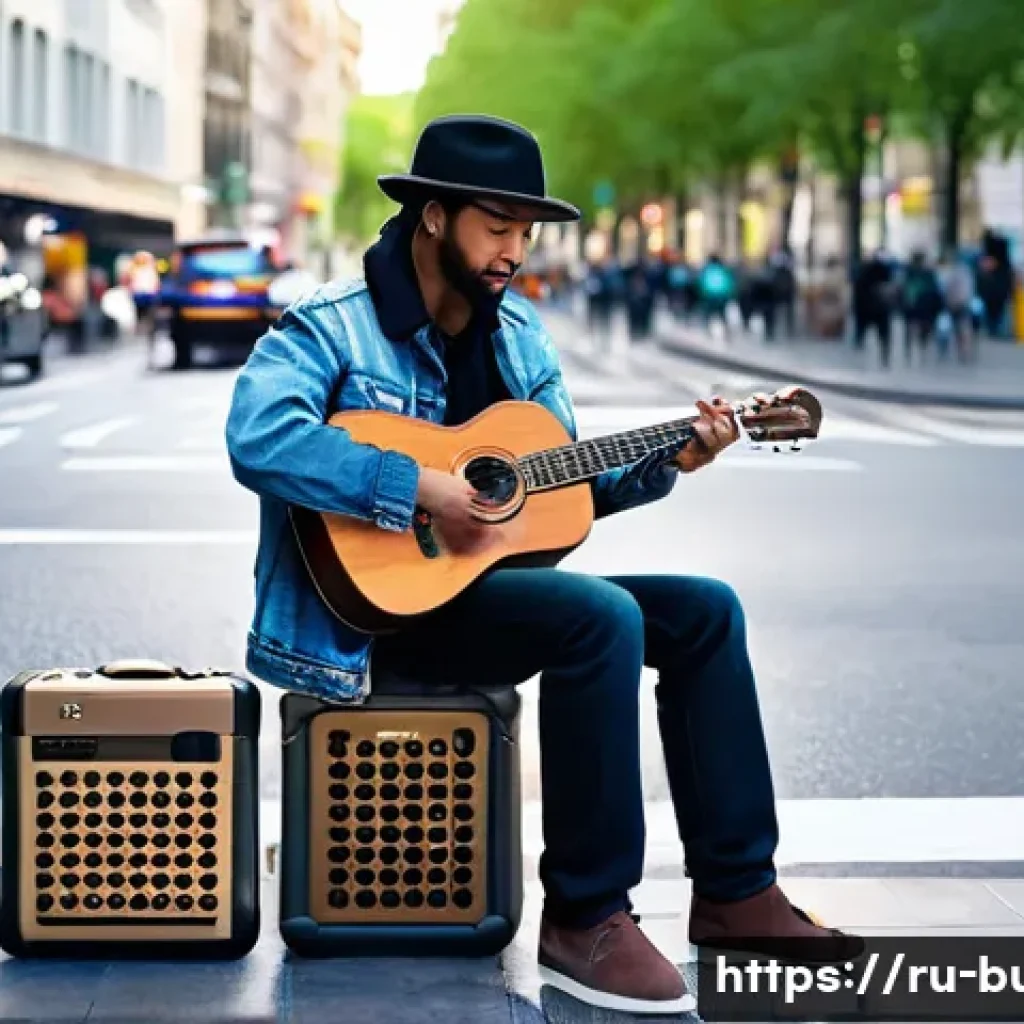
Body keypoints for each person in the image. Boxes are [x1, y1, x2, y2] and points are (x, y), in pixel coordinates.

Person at [225, 114, 864, 1015]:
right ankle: (585, 915)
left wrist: (670, 457)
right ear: (435, 216)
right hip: (366, 619)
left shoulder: (520, 335)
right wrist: (415, 487)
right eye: (498, 226)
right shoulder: (332, 327)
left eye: (527, 232)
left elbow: (553, 492)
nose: (514, 252)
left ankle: (736, 893)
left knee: (706, 610)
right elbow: (257, 437)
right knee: (599, 617)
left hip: (486, 595)